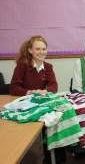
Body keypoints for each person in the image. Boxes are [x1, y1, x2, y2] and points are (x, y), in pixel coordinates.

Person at [9, 36, 64, 164]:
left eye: (44, 49)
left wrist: (45, 91)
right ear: (30, 50)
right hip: (26, 104)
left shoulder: (48, 67)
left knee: (55, 120)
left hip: (41, 103)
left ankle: (54, 159)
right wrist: (31, 92)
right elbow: (13, 88)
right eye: (37, 49)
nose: (41, 52)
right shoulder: (22, 65)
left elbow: (54, 86)